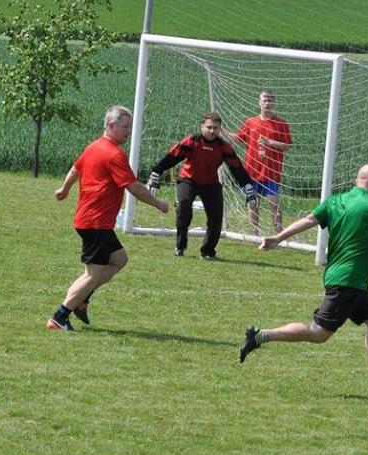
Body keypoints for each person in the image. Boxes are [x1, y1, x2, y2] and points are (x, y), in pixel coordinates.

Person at [239, 164, 368, 396]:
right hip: (349, 281)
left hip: (345, 278)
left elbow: (308, 220)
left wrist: (279, 237)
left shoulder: (336, 200)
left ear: (357, 179)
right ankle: (260, 336)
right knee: (318, 333)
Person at [48, 105, 169, 331]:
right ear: (111, 125)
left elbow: (75, 169)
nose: (129, 132)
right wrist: (158, 204)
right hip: (96, 223)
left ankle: (82, 299)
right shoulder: (114, 154)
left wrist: (64, 189)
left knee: (119, 259)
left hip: (91, 221)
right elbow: (134, 187)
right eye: (125, 127)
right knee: (92, 275)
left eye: (130, 127)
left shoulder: (93, 147)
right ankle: (59, 316)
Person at [145, 112, 255, 260]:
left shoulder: (224, 147)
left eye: (215, 128)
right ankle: (180, 246)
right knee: (183, 208)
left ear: (219, 129)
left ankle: (208, 251)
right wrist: (156, 173)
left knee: (216, 217)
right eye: (209, 127)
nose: (212, 131)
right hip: (188, 180)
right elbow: (172, 156)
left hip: (211, 184)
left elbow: (236, 168)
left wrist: (248, 187)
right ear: (202, 126)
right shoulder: (192, 140)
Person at [229, 89, 293, 235]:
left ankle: (279, 234)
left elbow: (287, 146)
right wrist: (221, 130)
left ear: (274, 102)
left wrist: (270, 142)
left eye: (270, 100)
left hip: (272, 172)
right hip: (252, 172)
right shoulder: (250, 122)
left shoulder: (281, 124)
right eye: (264, 100)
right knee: (253, 203)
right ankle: (255, 234)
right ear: (259, 102)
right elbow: (238, 138)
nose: (267, 103)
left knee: (274, 204)